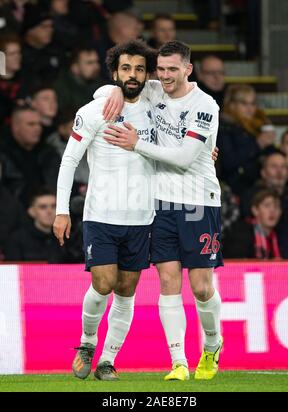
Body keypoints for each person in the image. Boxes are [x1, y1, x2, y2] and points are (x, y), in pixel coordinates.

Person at [101, 40, 223, 381]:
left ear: (188, 69)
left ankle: (212, 345)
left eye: (173, 69)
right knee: (168, 282)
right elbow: (121, 84)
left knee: (200, 287)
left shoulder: (204, 105)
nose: (165, 76)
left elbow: (185, 159)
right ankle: (179, 363)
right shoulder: (155, 90)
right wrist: (112, 89)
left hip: (199, 202)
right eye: (161, 70)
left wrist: (137, 143)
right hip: (159, 204)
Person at [53, 40, 157, 381]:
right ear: (115, 71)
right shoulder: (94, 110)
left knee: (127, 290)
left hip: (141, 218)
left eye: (139, 69)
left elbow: (182, 88)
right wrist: (61, 210)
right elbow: (70, 160)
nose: (132, 75)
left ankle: (107, 361)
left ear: (146, 74)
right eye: (125, 69)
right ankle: (86, 342)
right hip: (101, 215)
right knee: (103, 282)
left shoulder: (158, 108)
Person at [0, 105, 61, 208]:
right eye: (31, 124)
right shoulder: (3, 155)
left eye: (39, 124)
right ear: (15, 126)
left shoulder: (49, 153)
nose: (37, 128)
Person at [4, 187, 67, 262]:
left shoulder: (66, 237)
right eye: (43, 207)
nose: (49, 211)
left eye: (54, 206)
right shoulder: (17, 239)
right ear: (31, 211)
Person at [222, 189, 282, 259]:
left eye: (276, 206)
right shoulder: (241, 233)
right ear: (255, 210)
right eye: (267, 205)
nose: (272, 210)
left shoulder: (283, 235)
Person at [54, 47, 106, 111]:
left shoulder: (101, 84)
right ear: (75, 67)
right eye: (89, 63)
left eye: (97, 61)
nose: (96, 66)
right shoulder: (62, 87)